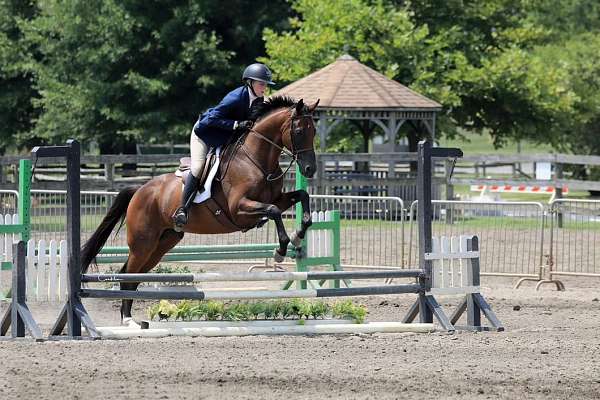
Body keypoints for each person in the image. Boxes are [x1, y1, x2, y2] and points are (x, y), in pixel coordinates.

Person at [172, 63, 276, 230]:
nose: (264, 88)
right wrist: (236, 124)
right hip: (204, 134)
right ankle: (183, 210)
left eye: (266, 85)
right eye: (261, 84)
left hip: (225, 138)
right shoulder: (235, 97)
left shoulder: (258, 100)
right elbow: (210, 119)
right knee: (198, 167)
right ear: (250, 82)